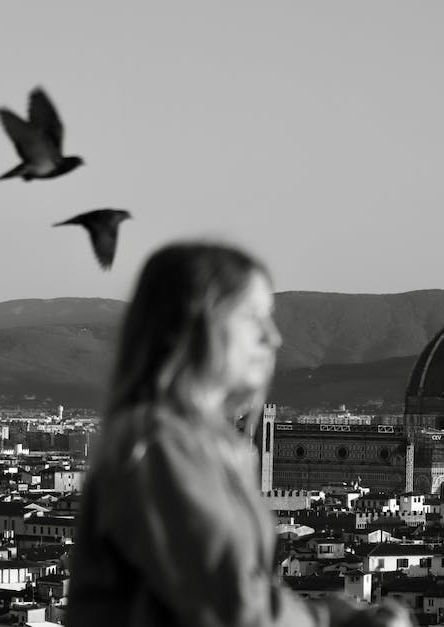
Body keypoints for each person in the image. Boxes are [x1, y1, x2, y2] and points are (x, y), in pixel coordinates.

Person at [67, 242, 412, 627]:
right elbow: (231, 608)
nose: (274, 337)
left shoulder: (193, 443)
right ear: (194, 326)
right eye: (253, 316)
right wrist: (331, 619)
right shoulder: (160, 447)